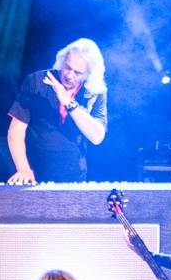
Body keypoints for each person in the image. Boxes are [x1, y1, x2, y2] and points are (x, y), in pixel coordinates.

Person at [6, 38, 107, 183]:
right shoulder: (36, 81)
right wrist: (23, 169)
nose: (69, 75)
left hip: (74, 177)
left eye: (77, 73)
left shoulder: (94, 91)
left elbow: (97, 137)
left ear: (88, 75)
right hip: (33, 174)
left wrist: (68, 101)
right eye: (67, 67)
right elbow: (16, 130)